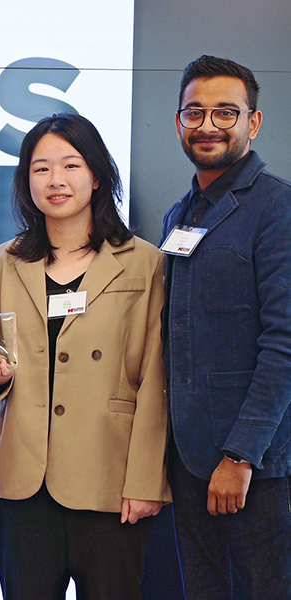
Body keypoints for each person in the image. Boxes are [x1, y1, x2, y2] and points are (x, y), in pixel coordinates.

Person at [0, 113, 170, 600]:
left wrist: (146, 479)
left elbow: (157, 377)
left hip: (111, 477)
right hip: (21, 479)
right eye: (40, 169)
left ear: (97, 175)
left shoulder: (146, 263)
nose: (55, 180)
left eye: (71, 165)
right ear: (26, 182)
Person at [161, 55, 291, 600]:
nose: (208, 125)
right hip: (190, 461)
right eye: (195, 112)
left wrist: (240, 456)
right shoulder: (179, 214)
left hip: (253, 469)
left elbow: (284, 344)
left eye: (225, 113)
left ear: (253, 123)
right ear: (178, 122)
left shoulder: (277, 208)